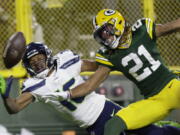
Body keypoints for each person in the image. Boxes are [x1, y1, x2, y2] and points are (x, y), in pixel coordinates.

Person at [0, 42, 179, 135]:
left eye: (39, 58)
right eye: (32, 62)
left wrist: (112, 57)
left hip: (106, 109)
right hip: (90, 125)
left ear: (47, 55)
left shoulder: (66, 60)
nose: (37, 63)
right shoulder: (33, 86)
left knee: (152, 133)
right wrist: (5, 96)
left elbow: (97, 66)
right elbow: (14, 108)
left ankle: (168, 129)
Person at [54, 9, 180, 135]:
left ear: (117, 23)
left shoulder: (141, 31)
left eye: (106, 31)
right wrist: (66, 94)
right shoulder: (109, 55)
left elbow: (172, 26)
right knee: (113, 125)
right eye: (101, 35)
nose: (105, 37)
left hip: (173, 88)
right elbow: (89, 85)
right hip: (154, 101)